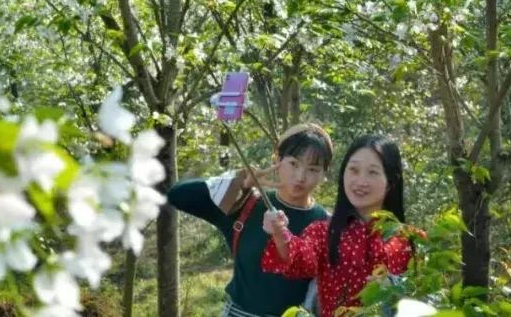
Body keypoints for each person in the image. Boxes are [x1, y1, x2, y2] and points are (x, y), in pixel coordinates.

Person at [166, 123, 334, 317]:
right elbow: (178, 195)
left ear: (324, 174)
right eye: (293, 164)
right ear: (277, 159)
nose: (300, 177)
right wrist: (239, 183)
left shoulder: (327, 224)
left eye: (313, 169)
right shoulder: (246, 205)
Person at [260, 135, 412, 317]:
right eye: (354, 170)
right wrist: (280, 233)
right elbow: (300, 258)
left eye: (372, 172)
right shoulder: (323, 232)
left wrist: (393, 286)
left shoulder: (408, 239)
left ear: (391, 182)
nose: (360, 181)